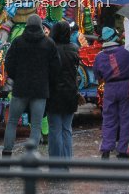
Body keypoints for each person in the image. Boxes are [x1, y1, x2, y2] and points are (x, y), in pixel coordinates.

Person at [0, 14, 59, 157]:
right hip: (40, 89)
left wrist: (17, 76)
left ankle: (7, 152)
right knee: (37, 124)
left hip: (20, 88)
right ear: (40, 26)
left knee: (12, 121)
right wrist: (46, 80)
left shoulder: (18, 42)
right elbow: (56, 67)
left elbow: (9, 64)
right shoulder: (48, 43)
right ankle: (32, 154)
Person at [93, 27, 129, 159]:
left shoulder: (99, 57)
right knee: (126, 119)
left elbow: (97, 75)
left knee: (109, 119)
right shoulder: (127, 51)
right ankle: (122, 150)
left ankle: (106, 149)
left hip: (109, 88)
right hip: (125, 87)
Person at [45, 21, 79, 158]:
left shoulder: (50, 49)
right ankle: (67, 162)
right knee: (67, 129)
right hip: (70, 93)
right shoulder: (74, 49)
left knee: (55, 130)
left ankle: (55, 163)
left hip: (54, 94)